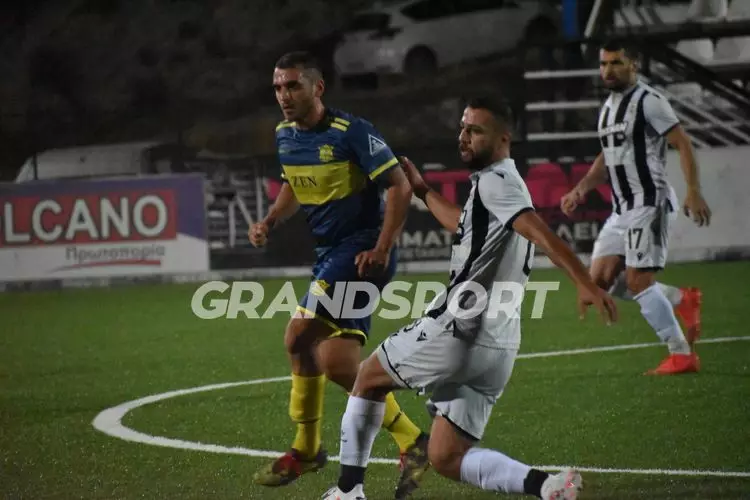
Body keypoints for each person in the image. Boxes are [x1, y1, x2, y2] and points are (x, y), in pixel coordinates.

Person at [322, 97, 618, 500]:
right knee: (446, 456)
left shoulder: (499, 182)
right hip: (498, 347)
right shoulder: (501, 184)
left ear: (503, 138)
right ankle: (548, 486)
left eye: (475, 130)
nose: (463, 137)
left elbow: (540, 232)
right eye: (463, 128)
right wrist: (424, 191)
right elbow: (464, 225)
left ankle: (348, 492)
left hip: (461, 329)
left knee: (367, 378)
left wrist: (584, 281)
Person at [248, 51, 430, 495]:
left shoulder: (352, 132)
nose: (284, 95)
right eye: (278, 87)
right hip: (331, 255)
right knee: (337, 364)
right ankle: (413, 441)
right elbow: (293, 185)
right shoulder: (285, 135)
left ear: (318, 88)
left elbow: (399, 185)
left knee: (297, 336)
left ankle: (307, 448)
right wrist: (270, 220)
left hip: (361, 253)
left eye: (293, 85)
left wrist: (382, 246)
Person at [561, 39, 712, 375]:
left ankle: (681, 354)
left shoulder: (649, 101)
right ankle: (681, 299)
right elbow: (607, 156)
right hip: (621, 209)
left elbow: (682, 142)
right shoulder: (608, 107)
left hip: (648, 201)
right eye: (603, 64)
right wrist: (581, 188)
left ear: (634, 65)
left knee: (638, 281)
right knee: (598, 282)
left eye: (616, 63)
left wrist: (693, 190)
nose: (608, 70)